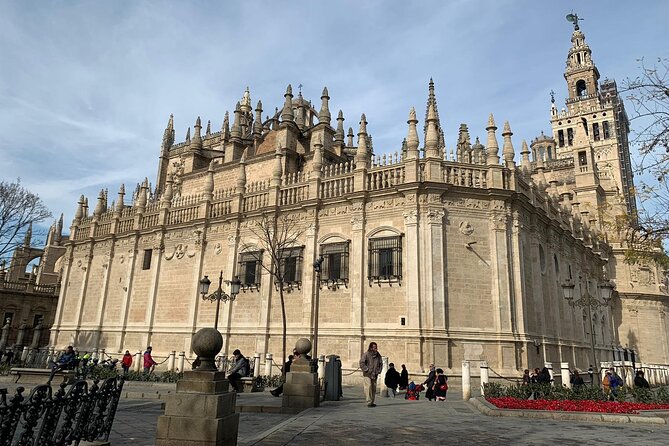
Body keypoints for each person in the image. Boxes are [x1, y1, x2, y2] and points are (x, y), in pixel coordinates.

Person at [359, 342, 383, 407]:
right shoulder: (366, 354)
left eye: (376, 347)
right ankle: (369, 401)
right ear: (371, 348)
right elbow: (362, 363)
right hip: (367, 374)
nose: (376, 349)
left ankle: (372, 402)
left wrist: (379, 371)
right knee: (368, 386)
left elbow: (381, 363)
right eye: (374, 347)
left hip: (375, 374)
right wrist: (366, 369)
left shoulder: (378, 355)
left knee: (373, 388)